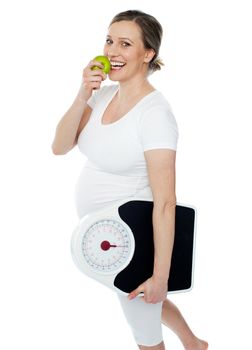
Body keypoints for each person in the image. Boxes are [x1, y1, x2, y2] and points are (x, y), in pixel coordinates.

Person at [52, 9, 208, 350]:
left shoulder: (155, 115)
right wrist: (83, 93)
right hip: (104, 234)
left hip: (134, 236)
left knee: (144, 331)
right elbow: (60, 146)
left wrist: (160, 277)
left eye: (125, 43)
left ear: (147, 53)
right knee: (142, 302)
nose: (112, 51)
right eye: (109, 41)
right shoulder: (103, 95)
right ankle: (194, 344)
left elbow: (166, 201)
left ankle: (191, 343)